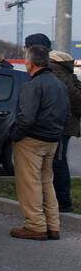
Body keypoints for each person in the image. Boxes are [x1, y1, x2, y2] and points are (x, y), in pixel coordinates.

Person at [9, 45, 69, 240]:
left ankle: (35, 225)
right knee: (46, 183)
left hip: (32, 140)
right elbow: (66, 114)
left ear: (31, 62)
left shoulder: (32, 85)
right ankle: (53, 225)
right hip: (52, 139)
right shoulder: (59, 84)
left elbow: (26, 117)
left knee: (29, 184)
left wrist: (16, 135)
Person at [47, 50, 81, 213]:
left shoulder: (54, 69)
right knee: (57, 162)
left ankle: (63, 202)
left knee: (58, 163)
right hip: (65, 123)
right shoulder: (64, 70)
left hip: (61, 124)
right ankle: (60, 200)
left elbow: (72, 95)